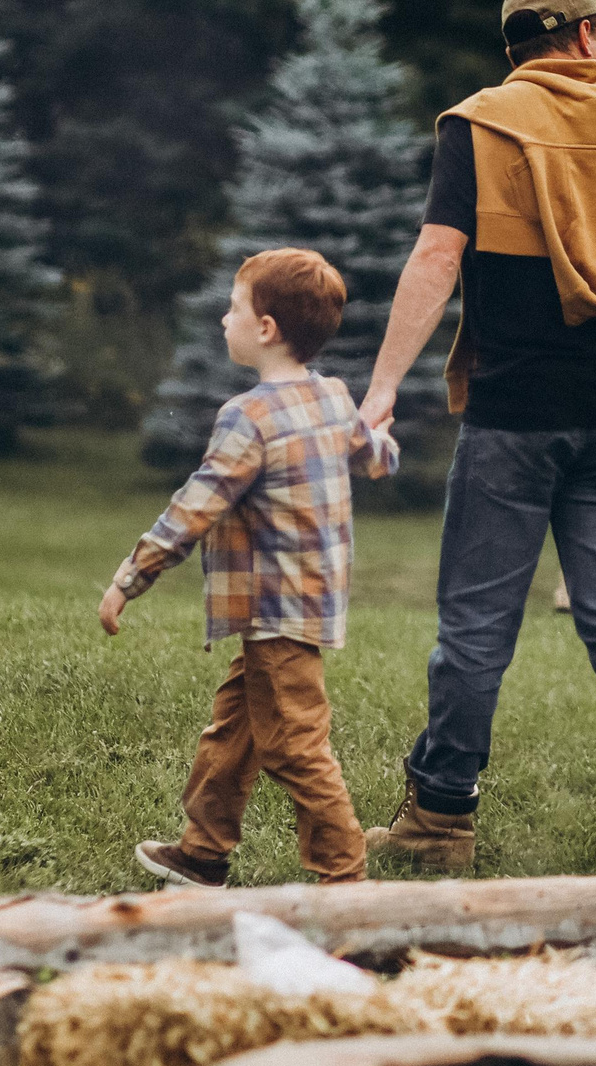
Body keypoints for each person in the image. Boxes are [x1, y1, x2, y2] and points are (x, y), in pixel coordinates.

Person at [356, 0, 596, 873]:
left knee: (478, 624)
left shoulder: (480, 124)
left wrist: (382, 387)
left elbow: (439, 255)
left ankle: (440, 814)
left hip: (513, 419)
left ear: (517, 46)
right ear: (590, 35)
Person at [99, 247, 393, 889]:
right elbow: (371, 451)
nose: (223, 322)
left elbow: (193, 508)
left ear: (265, 329)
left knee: (295, 745)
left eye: (233, 309)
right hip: (305, 605)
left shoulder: (249, 416)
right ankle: (203, 853)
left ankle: (346, 883)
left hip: (274, 608)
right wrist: (384, 445)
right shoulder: (334, 397)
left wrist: (131, 577)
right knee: (236, 728)